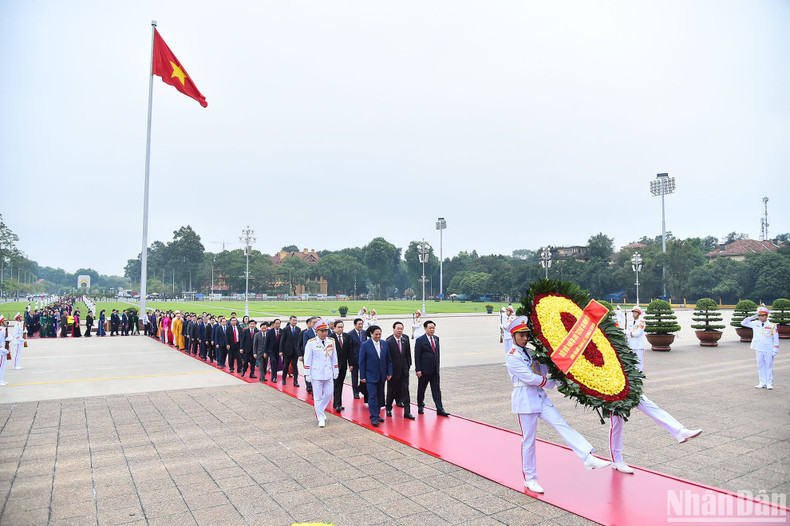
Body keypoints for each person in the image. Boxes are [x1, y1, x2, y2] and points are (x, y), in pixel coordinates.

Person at [505, 315, 611, 494]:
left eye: (526, 335)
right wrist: (552, 382)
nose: (525, 338)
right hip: (525, 400)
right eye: (521, 335)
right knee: (529, 441)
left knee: (561, 423)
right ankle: (530, 479)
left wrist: (559, 369)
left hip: (540, 396)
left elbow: (543, 369)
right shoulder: (512, 356)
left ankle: (587, 456)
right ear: (513, 336)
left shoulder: (530, 352)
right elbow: (529, 378)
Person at [609, 306, 702, 474]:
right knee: (617, 424)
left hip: (627, 385)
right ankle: (617, 459)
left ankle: (679, 431)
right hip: (611, 390)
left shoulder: (620, 339)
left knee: (650, 406)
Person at [303, 319, 339, 427]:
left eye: (326, 331)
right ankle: (320, 417)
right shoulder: (311, 343)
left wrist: (335, 370)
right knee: (318, 397)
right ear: (317, 331)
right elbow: (307, 359)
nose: (324, 333)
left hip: (328, 372)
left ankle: (320, 410)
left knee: (329, 393)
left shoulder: (331, 341)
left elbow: (334, 357)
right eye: (322, 331)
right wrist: (307, 373)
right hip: (316, 373)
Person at [414, 320, 450, 417]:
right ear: (425, 328)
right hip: (424, 371)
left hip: (434, 371)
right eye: (430, 328)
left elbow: (437, 354)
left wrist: (437, 368)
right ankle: (420, 406)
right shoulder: (420, 340)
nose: (432, 330)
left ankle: (440, 408)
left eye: (433, 328)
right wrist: (418, 369)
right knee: (421, 389)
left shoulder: (436, 339)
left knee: (436, 390)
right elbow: (417, 356)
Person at [359, 325, 392, 427]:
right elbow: (362, 362)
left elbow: (388, 360)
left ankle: (377, 414)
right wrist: (362, 376)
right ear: (371, 334)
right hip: (370, 376)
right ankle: (373, 417)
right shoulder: (365, 345)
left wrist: (389, 372)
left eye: (380, 334)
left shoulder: (384, 344)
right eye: (376, 334)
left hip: (382, 375)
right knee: (372, 396)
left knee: (379, 395)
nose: (378, 336)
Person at [741, 305, 780, 390]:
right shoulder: (755, 324)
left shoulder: (772, 325)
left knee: (769, 365)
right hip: (759, 348)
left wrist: (775, 350)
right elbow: (743, 323)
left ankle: (769, 383)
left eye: (762, 316)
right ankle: (762, 382)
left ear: (766, 316)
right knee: (760, 365)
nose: (761, 317)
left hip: (768, 348)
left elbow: (776, 338)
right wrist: (753, 317)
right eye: (759, 316)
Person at [386, 321, 415, 419]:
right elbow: (387, 358)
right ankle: (388, 408)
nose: (400, 330)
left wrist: (408, 366)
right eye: (398, 328)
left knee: (406, 391)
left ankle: (407, 412)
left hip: (404, 371)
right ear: (393, 329)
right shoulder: (389, 341)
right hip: (393, 373)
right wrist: (388, 372)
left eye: (401, 329)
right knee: (391, 391)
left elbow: (408, 355)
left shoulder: (405, 340)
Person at [330, 320, 351, 412]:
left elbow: (349, 351)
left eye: (342, 327)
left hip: (344, 365)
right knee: (336, 384)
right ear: (334, 328)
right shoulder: (330, 338)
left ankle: (337, 403)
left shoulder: (347, 337)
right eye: (338, 327)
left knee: (340, 384)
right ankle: (337, 404)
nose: (340, 329)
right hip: (334, 365)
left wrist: (351, 364)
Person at [280, 316, 301, 387]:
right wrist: (281, 351)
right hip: (287, 351)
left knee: (295, 365)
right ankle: (283, 379)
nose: (295, 322)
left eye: (296, 320)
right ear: (290, 321)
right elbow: (282, 341)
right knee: (286, 365)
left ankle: (295, 381)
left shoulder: (298, 329)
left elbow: (299, 341)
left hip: (295, 351)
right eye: (293, 320)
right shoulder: (285, 329)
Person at [348, 318, 367, 399]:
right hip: (354, 359)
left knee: (364, 376)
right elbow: (349, 349)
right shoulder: (350, 334)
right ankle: (355, 392)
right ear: (355, 325)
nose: (360, 326)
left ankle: (361, 389)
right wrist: (350, 363)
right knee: (354, 377)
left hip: (364, 359)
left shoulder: (364, 333)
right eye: (359, 324)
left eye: (361, 324)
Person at [299, 317, 316, 393]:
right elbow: (301, 345)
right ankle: (309, 386)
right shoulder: (305, 333)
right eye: (314, 323)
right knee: (308, 372)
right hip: (308, 356)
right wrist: (301, 355)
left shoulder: (324, 332)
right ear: (309, 323)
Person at [264, 319, 283, 383]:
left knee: (276, 363)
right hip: (271, 350)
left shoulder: (282, 331)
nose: (277, 325)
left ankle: (275, 376)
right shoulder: (270, 332)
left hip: (279, 351)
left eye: (279, 324)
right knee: (273, 361)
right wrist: (265, 352)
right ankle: (274, 377)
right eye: (276, 324)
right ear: (274, 324)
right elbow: (266, 342)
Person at [0, 315, 8, 385]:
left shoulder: (3, 329)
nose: (6, 322)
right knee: (1, 366)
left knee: (3, 365)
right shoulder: (1, 330)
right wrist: (1, 348)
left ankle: (1, 379)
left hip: (3, 348)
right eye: (4, 321)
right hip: (1, 349)